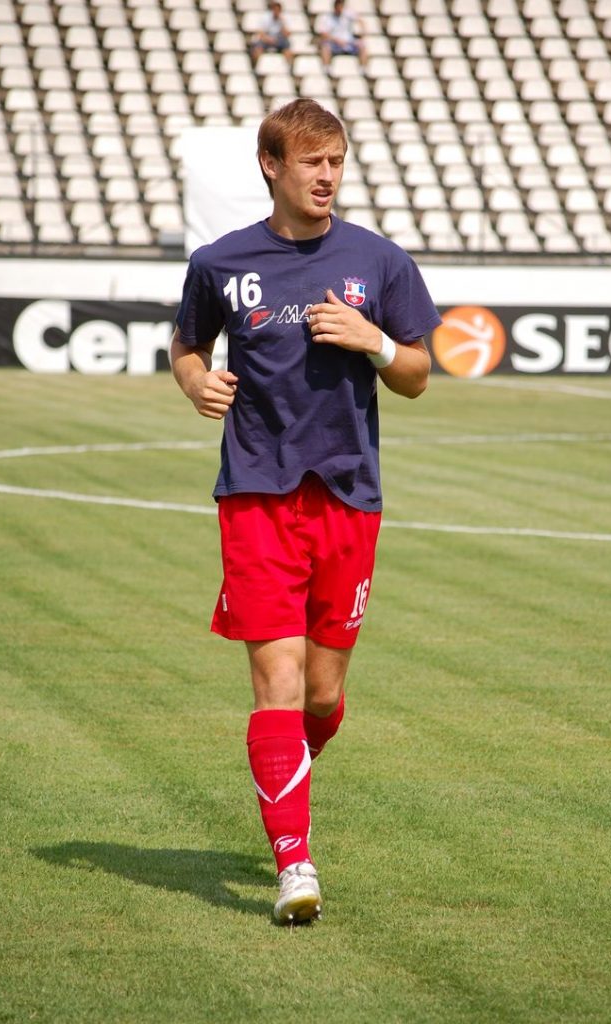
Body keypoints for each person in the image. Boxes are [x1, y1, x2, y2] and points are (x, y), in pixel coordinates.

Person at [170, 98, 440, 925]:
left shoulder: (377, 261)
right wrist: (195, 381)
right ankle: (294, 862)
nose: (327, 176)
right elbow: (187, 343)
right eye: (312, 162)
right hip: (256, 493)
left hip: (348, 496)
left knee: (320, 695)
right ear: (272, 166)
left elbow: (417, 374)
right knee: (277, 682)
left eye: (336, 162)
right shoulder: (220, 262)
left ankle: (286, 767)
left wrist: (373, 341)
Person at [318, 0, 367, 70]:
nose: (340, 8)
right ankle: (327, 68)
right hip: (334, 44)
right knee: (325, 47)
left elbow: (361, 21)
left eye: (341, 6)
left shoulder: (348, 14)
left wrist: (362, 33)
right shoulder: (327, 17)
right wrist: (337, 40)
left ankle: (363, 69)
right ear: (335, 6)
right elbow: (323, 33)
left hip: (348, 42)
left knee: (362, 45)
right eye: (338, 6)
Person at [249, 1, 293, 67]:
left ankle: (288, 67)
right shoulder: (265, 18)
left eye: (278, 10)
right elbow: (260, 32)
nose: (276, 12)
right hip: (266, 39)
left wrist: (282, 23)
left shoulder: (283, 19)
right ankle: (256, 66)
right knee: (257, 48)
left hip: (278, 40)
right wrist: (268, 39)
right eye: (275, 10)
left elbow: (287, 34)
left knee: (287, 46)